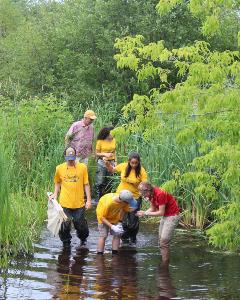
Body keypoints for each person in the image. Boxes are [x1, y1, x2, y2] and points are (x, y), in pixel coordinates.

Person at [49, 146, 91, 248]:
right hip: (65, 203)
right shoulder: (59, 168)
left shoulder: (82, 168)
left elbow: (86, 184)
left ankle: (83, 238)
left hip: (79, 203)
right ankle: (66, 242)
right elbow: (57, 182)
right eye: (69, 160)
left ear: (75, 157)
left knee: (80, 225)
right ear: (65, 157)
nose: (71, 162)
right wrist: (55, 193)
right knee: (64, 225)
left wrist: (89, 200)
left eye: (72, 160)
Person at [104, 152, 147, 246]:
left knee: (133, 221)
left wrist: (136, 185)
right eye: (132, 163)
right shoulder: (123, 166)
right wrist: (107, 164)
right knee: (121, 219)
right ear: (129, 161)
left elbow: (144, 185)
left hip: (134, 198)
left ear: (139, 162)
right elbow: (112, 170)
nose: (134, 165)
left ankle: (133, 237)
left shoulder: (141, 171)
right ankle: (124, 238)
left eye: (136, 163)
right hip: (121, 197)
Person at [137, 182, 180, 266]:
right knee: (160, 241)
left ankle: (165, 264)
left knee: (164, 242)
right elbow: (153, 209)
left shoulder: (160, 194)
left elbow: (160, 212)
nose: (144, 197)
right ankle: (164, 260)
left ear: (148, 191)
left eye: (144, 195)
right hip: (165, 216)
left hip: (172, 216)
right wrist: (143, 213)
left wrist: (145, 214)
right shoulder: (151, 195)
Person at [96, 190, 137, 255]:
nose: (129, 204)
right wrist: (112, 227)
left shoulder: (124, 201)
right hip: (103, 218)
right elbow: (102, 217)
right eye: (128, 202)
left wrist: (120, 222)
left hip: (115, 217)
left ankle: (115, 253)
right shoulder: (108, 204)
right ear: (123, 201)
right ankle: (99, 254)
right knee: (103, 236)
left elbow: (124, 210)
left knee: (117, 234)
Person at [95, 125, 116, 202]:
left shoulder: (114, 140)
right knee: (100, 182)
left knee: (110, 181)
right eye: (111, 134)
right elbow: (96, 153)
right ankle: (98, 199)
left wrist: (116, 161)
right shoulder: (100, 141)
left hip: (111, 162)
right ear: (106, 134)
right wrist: (105, 154)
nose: (112, 136)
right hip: (102, 162)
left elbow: (114, 151)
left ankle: (108, 199)